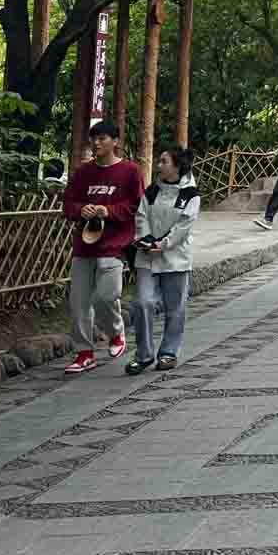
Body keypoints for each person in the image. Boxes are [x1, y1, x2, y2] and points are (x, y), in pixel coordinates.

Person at [61, 120, 143, 374]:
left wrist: (108, 211)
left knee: (106, 296)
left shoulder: (130, 171)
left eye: (102, 138)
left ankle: (116, 333)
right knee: (79, 303)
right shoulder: (83, 172)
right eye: (94, 139)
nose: (96, 143)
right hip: (84, 246)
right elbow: (68, 204)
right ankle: (84, 353)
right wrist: (81, 209)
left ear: (115, 142)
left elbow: (136, 205)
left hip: (114, 245)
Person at [127, 146, 200, 374]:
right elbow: (141, 216)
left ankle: (168, 352)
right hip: (147, 256)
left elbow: (184, 226)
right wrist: (147, 240)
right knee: (142, 302)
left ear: (177, 166)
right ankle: (143, 355)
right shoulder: (152, 191)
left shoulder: (190, 194)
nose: (159, 166)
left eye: (164, 162)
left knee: (175, 308)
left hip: (176, 257)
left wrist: (164, 244)